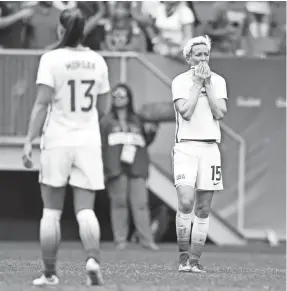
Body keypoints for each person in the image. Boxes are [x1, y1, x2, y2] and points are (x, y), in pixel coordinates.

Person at [22, 8, 110, 286]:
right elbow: (104, 107)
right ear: (83, 30)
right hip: (87, 140)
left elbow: (41, 103)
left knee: (51, 211)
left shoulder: (51, 59)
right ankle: (92, 260)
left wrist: (28, 140)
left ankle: (49, 273)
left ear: (61, 30)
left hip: (57, 139)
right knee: (86, 210)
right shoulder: (97, 61)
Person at [171, 35, 228, 272]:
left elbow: (220, 112)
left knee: (203, 208)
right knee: (185, 201)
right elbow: (185, 111)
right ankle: (183, 257)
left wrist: (208, 85)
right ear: (188, 58)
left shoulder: (218, 81)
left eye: (206, 54)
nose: (203, 58)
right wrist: (196, 84)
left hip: (210, 148)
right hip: (186, 146)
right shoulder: (180, 81)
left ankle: (195, 261)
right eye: (198, 54)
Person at [100, 83, 159, 251]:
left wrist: (152, 132)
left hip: (137, 165)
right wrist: (103, 168)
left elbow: (144, 142)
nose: (118, 99)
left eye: (122, 96)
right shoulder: (106, 121)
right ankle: (120, 240)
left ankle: (146, 239)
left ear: (129, 98)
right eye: (115, 96)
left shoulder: (138, 120)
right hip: (115, 167)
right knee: (119, 203)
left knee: (140, 203)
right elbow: (101, 145)